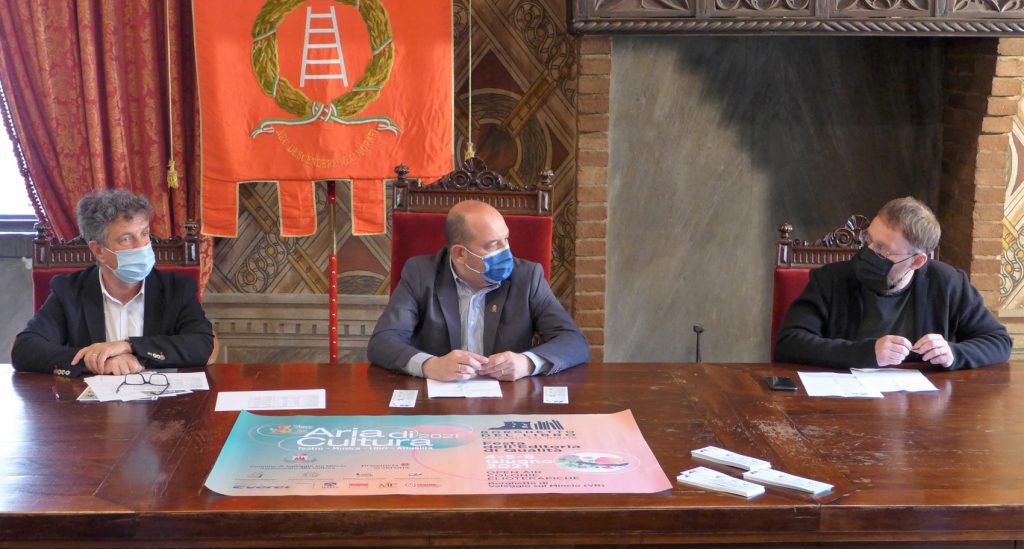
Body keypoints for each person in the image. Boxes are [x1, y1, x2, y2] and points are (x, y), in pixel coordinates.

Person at [774, 196, 1011, 370]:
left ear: (917, 261)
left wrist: (953, 353)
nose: (868, 251)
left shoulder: (948, 283)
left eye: (882, 250)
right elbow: (789, 344)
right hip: (843, 403)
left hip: (921, 408)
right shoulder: (830, 279)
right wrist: (867, 353)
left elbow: (998, 342)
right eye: (868, 239)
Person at [368, 200, 589, 381]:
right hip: (438, 401)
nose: (506, 251)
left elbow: (574, 341)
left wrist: (528, 363)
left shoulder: (528, 277)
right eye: (493, 245)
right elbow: (382, 342)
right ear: (460, 254)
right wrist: (429, 365)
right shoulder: (420, 273)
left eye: (506, 239)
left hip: (508, 400)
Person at [12, 189, 215, 377]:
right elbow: (24, 349)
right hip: (91, 403)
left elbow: (204, 345)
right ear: (98, 250)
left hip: (162, 402)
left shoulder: (177, 289)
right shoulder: (69, 292)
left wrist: (130, 347)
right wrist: (95, 361)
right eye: (126, 239)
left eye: (144, 233)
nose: (142, 246)